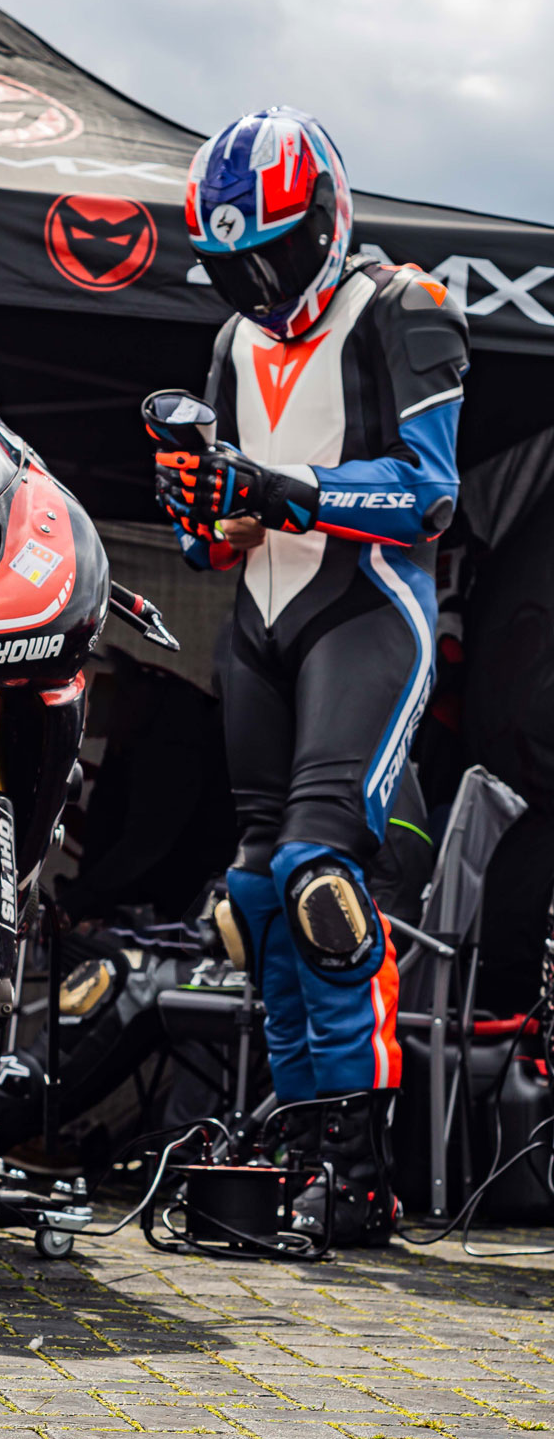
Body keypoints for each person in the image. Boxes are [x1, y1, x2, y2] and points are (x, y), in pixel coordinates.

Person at [152, 106, 469, 1245]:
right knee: (249, 899)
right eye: (232, 264)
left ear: (327, 219)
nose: (255, 280)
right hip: (260, 615)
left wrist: (287, 487)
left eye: (274, 253)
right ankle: (300, 1132)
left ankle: (359, 1165)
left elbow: (429, 496)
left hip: (366, 612)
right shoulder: (234, 344)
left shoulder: (406, 306)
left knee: (316, 880)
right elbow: (214, 537)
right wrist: (203, 503)